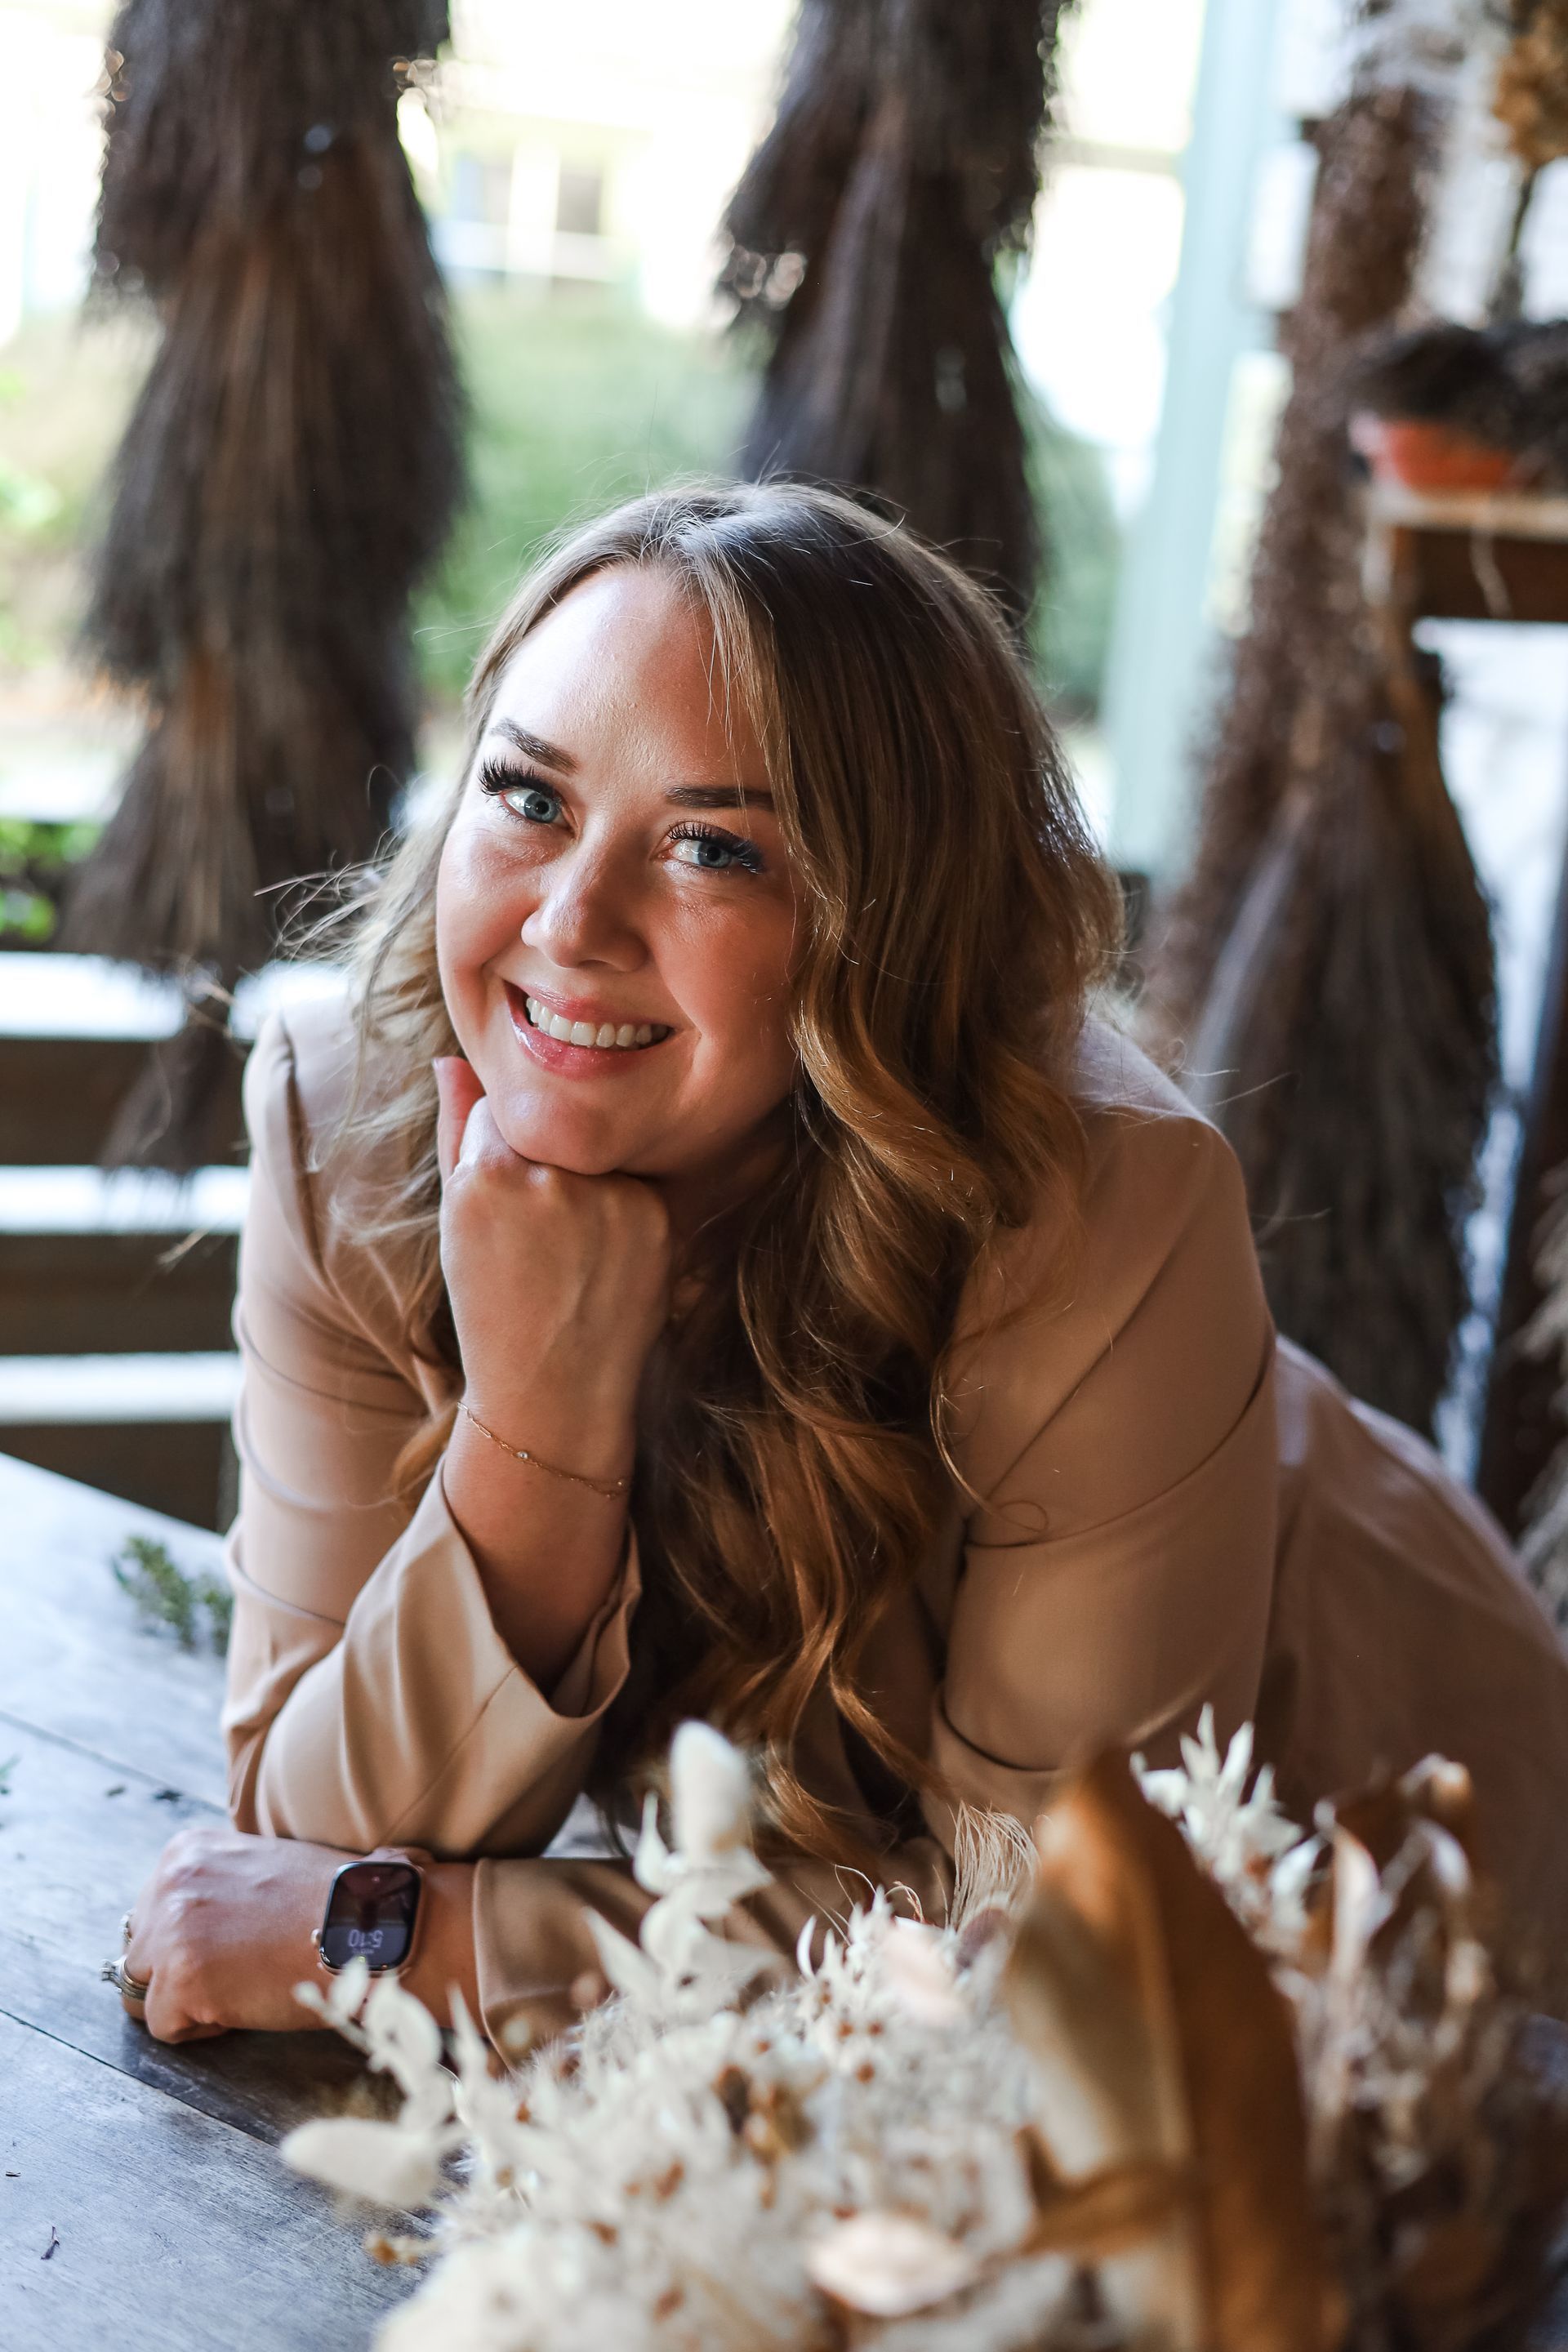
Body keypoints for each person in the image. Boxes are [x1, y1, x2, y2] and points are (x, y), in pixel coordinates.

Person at [117, 483, 1568, 2051]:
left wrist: (406, 1947)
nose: (574, 919)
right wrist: (535, 1428)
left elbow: (1042, 1950)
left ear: (892, 920)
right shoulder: (351, 1119)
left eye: (712, 848)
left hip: (1426, 1881)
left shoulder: (1105, 1217)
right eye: (529, 797)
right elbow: (299, 1811)